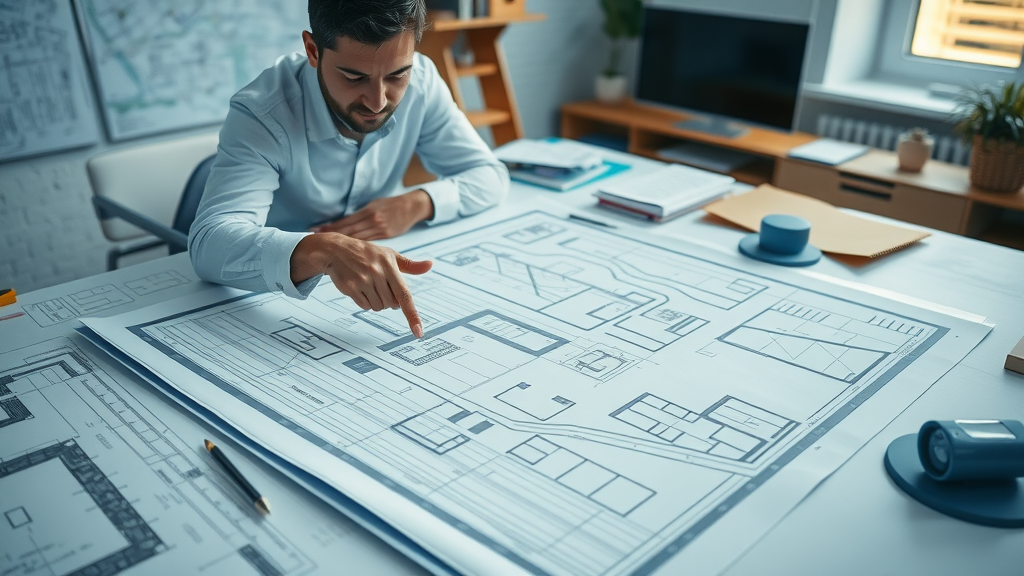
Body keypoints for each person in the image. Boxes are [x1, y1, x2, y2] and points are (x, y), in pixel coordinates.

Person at [189, 0, 509, 339]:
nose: (378, 101)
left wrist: (417, 203)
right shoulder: (263, 113)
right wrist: (322, 250)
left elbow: (490, 177)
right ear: (313, 51)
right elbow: (209, 245)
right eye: (354, 77)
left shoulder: (424, 82)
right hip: (267, 298)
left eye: (398, 74)